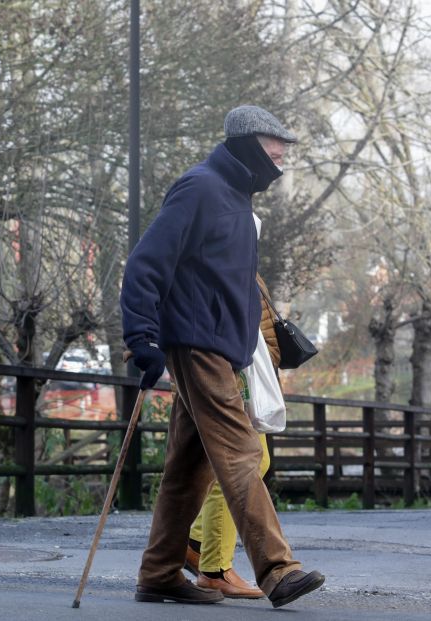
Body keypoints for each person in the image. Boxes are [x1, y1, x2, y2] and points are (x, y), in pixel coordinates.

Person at [120, 105, 325, 608]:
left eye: (284, 147)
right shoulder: (201, 188)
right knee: (242, 451)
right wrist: (141, 338)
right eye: (272, 142)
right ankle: (278, 569)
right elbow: (146, 263)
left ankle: (159, 572)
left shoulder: (235, 197)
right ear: (243, 142)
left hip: (220, 347)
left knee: (189, 469)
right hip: (196, 342)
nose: (281, 153)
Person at [183, 274, 278, 600]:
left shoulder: (240, 257)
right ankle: (213, 568)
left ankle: (198, 543)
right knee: (241, 465)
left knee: (244, 463)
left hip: (240, 372)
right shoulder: (221, 256)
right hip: (226, 373)